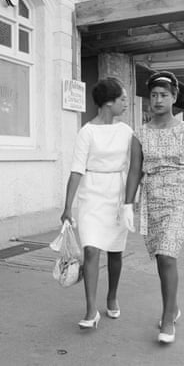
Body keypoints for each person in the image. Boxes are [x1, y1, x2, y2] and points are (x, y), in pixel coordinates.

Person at [124, 71, 184, 344]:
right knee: (160, 257)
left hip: (179, 198)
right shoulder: (139, 134)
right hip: (151, 199)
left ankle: (167, 319)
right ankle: (173, 307)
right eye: (153, 95)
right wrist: (128, 204)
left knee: (167, 254)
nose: (158, 100)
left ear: (174, 98)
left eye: (164, 95)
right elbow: (134, 171)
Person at [60, 77, 134, 329]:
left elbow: (135, 166)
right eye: (122, 99)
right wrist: (67, 207)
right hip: (91, 193)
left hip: (117, 193)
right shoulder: (87, 132)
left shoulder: (126, 131)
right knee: (91, 248)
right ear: (108, 102)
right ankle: (91, 310)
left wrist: (131, 200)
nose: (126, 103)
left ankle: (112, 296)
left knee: (115, 250)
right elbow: (76, 170)